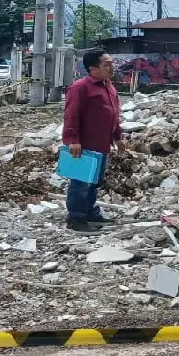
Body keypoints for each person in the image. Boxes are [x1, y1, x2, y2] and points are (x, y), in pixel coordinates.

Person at [62, 48, 126, 233]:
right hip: (84, 145)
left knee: (95, 181)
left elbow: (113, 114)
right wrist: (73, 139)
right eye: (107, 64)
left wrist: (118, 136)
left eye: (111, 63)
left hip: (102, 144)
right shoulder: (80, 88)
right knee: (81, 183)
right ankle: (76, 218)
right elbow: (71, 115)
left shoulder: (108, 86)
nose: (111, 67)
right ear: (93, 69)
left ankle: (91, 212)